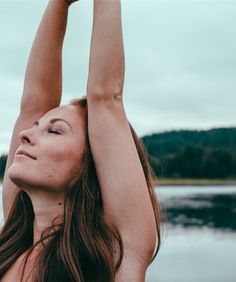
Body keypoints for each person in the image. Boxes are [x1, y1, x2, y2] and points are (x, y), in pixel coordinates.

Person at [0, 0, 163, 281]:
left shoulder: (114, 254)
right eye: (36, 127)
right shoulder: (12, 245)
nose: (25, 134)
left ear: (94, 164)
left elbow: (105, 96)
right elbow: (33, 103)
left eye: (55, 131)